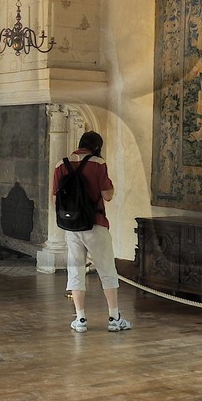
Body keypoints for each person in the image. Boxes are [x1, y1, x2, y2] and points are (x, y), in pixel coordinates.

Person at [52, 131, 131, 333]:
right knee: (107, 270)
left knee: (76, 271)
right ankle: (114, 318)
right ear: (97, 146)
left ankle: (80, 320)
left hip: (71, 226)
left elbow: (55, 200)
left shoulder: (60, 165)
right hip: (95, 223)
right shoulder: (97, 163)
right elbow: (108, 195)